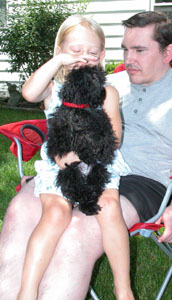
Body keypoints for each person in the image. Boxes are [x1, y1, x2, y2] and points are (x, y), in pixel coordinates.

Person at [0, 11, 172, 300]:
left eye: (139, 50)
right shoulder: (104, 81)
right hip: (72, 165)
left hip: (142, 180)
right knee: (20, 210)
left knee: (78, 228)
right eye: (125, 49)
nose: (128, 59)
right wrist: (55, 157)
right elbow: (52, 106)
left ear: (167, 52)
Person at [15, 15, 133, 300]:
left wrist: (84, 155)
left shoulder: (108, 93)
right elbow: (29, 93)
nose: (84, 58)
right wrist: (57, 62)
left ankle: (123, 289)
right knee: (56, 213)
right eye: (74, 51)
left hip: (97, 166)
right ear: (60, 51)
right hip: (59, 166)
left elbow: (114, 136)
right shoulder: (53, 89)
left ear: (102, 56)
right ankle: (27, 291)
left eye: (92, 52)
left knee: (109, 206)